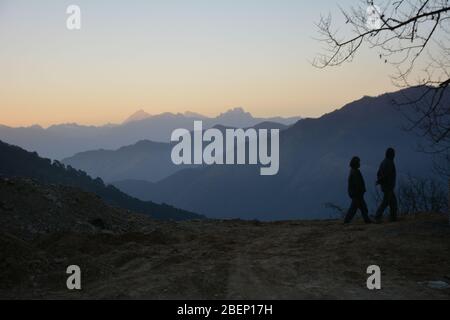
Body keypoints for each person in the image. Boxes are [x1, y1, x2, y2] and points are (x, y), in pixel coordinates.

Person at [344, 156, 372, 224]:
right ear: (355, 163)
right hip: (357, 194)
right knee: (355, 208)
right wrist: (360, 191)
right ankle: (346, 221)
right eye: (358, 162)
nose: (359, 164)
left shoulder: (354, 171)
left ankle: (367, 220)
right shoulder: (355, 172)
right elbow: (357, 184)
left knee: (362, 207)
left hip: (356, 194)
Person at [375, 148, 398, 223]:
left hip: (386, 186)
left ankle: (393, 217)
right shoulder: (389, 162)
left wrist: (379, 181)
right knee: (386, 202)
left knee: (392, 202)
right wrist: (381, 180)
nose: (394, 155)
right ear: (391, 154)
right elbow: (386, 175)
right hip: (388, 186)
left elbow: (379, 173)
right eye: (393, 153)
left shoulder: (384, 162)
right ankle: (378, 216)